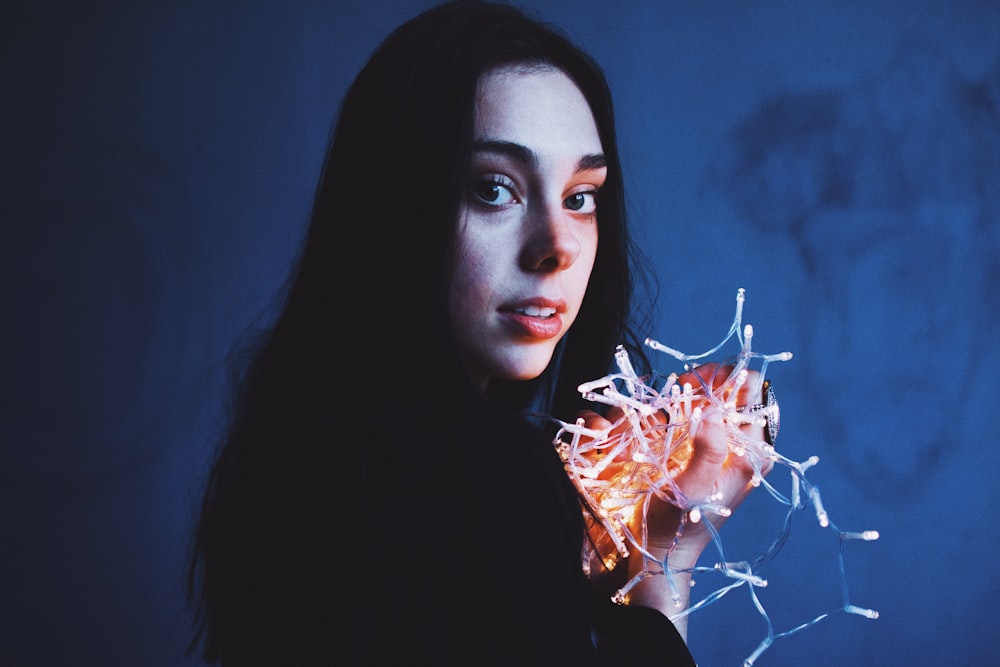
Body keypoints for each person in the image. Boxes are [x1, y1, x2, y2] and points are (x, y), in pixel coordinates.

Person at [187, 1, 770, 664]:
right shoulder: (473, 461)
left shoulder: (295, 447)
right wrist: (665, 563)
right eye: (495, 189)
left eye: (581, 196)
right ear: (396, 202)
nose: (556, 247)